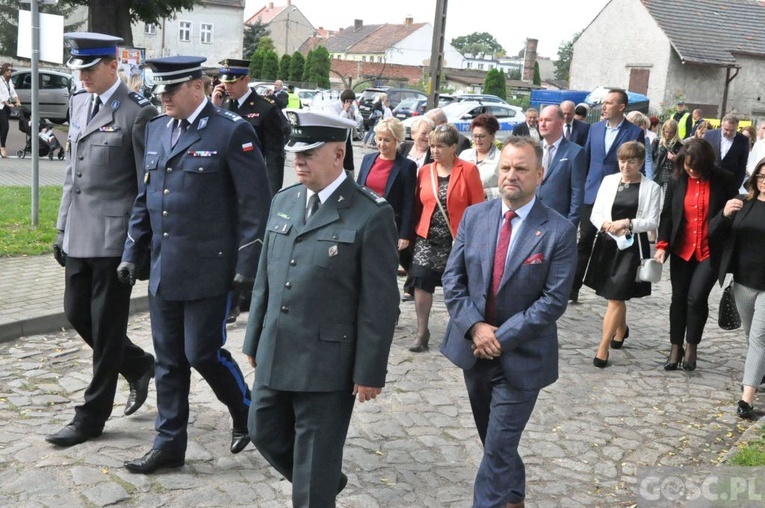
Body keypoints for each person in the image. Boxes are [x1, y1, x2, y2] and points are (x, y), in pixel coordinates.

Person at [118, 55, 272, 474]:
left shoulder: (230, 131)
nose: (163, 98)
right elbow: (144, 198)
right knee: (168, 360)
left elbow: (255, 205)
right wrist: (133, 252)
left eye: (171, 90)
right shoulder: (155, 129)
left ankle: (247, 412)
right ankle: (169, 443)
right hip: (166, 267)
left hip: (210, 267)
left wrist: (247, 263)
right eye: (160, 90)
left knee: (201, 352)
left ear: (197, 87)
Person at [243, 110, 400, 508]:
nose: (298, 160)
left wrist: (369, 370)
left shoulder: (370, 213)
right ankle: (324, 479)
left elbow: (379, 302)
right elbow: (266, 276)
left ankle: (318, 484)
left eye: (308, 153)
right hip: (277, 349)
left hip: (328, 362)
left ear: (336, 153)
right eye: (296, 152)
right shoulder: (284, 200)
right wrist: (254, 336)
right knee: (261, 429)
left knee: (314, 472)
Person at [440, 136, 577, 508]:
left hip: (523, 357)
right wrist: (475, 328)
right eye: (505, 168)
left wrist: (501, 337)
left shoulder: (559, 230)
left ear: (540, 174)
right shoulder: (475, 216)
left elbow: (553, 300)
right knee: (495, 442)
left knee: (499, 444)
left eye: (520, 169)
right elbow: (453, 280)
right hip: (474, 351)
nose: (511, 176)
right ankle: (513, 497)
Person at [45, 32, 158, 448]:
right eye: (79, 69)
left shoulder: (136, 113)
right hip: (78, 230)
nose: (84, 76)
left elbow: (145, 187)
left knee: (107, 328)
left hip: (114, 237)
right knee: (76, 313)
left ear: (114, 66)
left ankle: (91, 416)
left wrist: (136, 244)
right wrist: (61, 227)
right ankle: (140, 363)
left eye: (90, 68)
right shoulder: (78, 101)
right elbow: (72, 174)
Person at [653, 138, 738, 371]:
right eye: (688, 166)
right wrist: (662, 245)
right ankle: (675, 347)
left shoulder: (724, 179)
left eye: (696, 167)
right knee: (678, 299)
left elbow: (732, 214)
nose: (691, 170)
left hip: (710, 251)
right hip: (682, 250)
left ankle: (692, 345)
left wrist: (727, 213)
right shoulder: (677, 179)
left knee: (696, 298)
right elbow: (668, 215)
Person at [584, 141, 661, 367]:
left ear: (640, 163)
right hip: (608, 243)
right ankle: (621, 329)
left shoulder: (652, 188)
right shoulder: (609, 181)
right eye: (622, 161)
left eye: (631, 161)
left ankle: (602, 348)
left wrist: (628, 223)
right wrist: (606, 225)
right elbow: (595, 212)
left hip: (632, 247)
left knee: (617, 296)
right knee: (614, 295)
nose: (625, 166)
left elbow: (652, 221)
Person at [409, 124, 484, 352]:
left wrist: (475, 239)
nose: (434, 150)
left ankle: (459, 332)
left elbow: (478, 207)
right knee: (421, 282)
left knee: (456, 286)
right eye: (432, 145)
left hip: (457, 240)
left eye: (440, 146)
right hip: (427, 238)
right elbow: (417, 205)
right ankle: (422, 332)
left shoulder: (468, 171)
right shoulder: (425, 171)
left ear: (454, 147)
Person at [570, 89, 645, 303]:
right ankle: (573, 289)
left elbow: (638, 165)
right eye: (603, 103)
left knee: (609, 243)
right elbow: (586, 159)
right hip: (592, 193)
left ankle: (608, 287)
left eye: (609, 103)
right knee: (583, 241)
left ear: (621, 107)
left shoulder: (633, 133)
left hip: (617, 196)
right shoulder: (594, 129)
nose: (603, 107)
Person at [710, 163, 765, 418]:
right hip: (743, 281)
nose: (764, 181)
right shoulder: (743, 202)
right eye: (761, 176)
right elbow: (713, 233)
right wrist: (724, 214)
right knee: (750, 333)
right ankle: (760, 371)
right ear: (754, 178)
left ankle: (747, 397)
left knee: (759, 337)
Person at [211, 58, 286, 196]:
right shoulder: (221, 104)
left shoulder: (265, 108)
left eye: (232, 83)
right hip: (223, 184)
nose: (227, 87)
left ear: (245, 80)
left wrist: (272, 193)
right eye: (224, 82)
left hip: (251, 184)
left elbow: (274, 156)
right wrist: (214, 108)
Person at [357, 117, 417, 267]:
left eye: (387, 140)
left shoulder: (407, 166)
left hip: (389, 227)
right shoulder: (368, 159)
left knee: (381, 268)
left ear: (397, 141)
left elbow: (409, 202)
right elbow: (357, 191)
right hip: (364, 223)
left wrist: (404, 234)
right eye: (379, 139)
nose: (381, 144)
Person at [536, 105, 586, 225]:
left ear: (560, 123)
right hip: (532, 218)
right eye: (540, 120)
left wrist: (571, 223)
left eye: (547, 120)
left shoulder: (575, 152)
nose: (542, 124)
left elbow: (577, 192)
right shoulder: (533, 149)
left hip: (559, 220)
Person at [460, 114, 502, 199]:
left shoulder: (501, 158)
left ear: (492, 136)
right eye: (475, 136)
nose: (478, 140)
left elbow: (508, 188)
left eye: (482, 136)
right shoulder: (464, 155)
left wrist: (487, 193)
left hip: (489, 205)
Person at [704, 114, 749, 188]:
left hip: (729, 182)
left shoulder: (743, 140)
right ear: (722, 125)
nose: (729, 133)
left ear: (737, 127)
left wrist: (737, 185)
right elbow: (703, 157)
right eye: (726, 129)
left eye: (732, 130)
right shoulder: (709, 135)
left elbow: (742, 165)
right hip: (709, 179)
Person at [328, 89, 362, 172]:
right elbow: (338, 122)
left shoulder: (352, 107)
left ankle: (349, 178)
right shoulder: (334, 106)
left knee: (349, 161)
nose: (350, 104)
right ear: (344, 100)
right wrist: (344, 110)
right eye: (348, 101)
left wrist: (353, 115)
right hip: (338, 137)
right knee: (338, 159)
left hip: (348, 137)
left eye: (352, 101)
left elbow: (356, 122)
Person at [652, 119, 682, 195]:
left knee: (665, 199)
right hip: (657, 173)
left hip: (670, 175)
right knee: (654, 197)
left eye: (671, 133)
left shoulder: (680, 145)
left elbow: (684, 162)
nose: (668, 135)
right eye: (666, 132)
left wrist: (676, 158)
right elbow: (651, 158)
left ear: (675, 132)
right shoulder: (657, 142)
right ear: (663, 130)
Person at [0, 62, 21, 158]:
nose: (9, 71)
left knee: (2, 127)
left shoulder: (9, 81)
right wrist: (7, 103)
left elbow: (13, 92)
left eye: (11, 70)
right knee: (5, 126)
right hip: (1, 106)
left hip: (7, 108)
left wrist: (18, 101)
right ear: (4, 70)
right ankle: (3, 147)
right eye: (8, 70)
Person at [627, 111, 654, 180]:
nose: (644, 130)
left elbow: (648, 160)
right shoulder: (624, 137)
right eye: (641, 125)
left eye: (646, 128)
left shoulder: (645, 140)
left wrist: (649, 179)